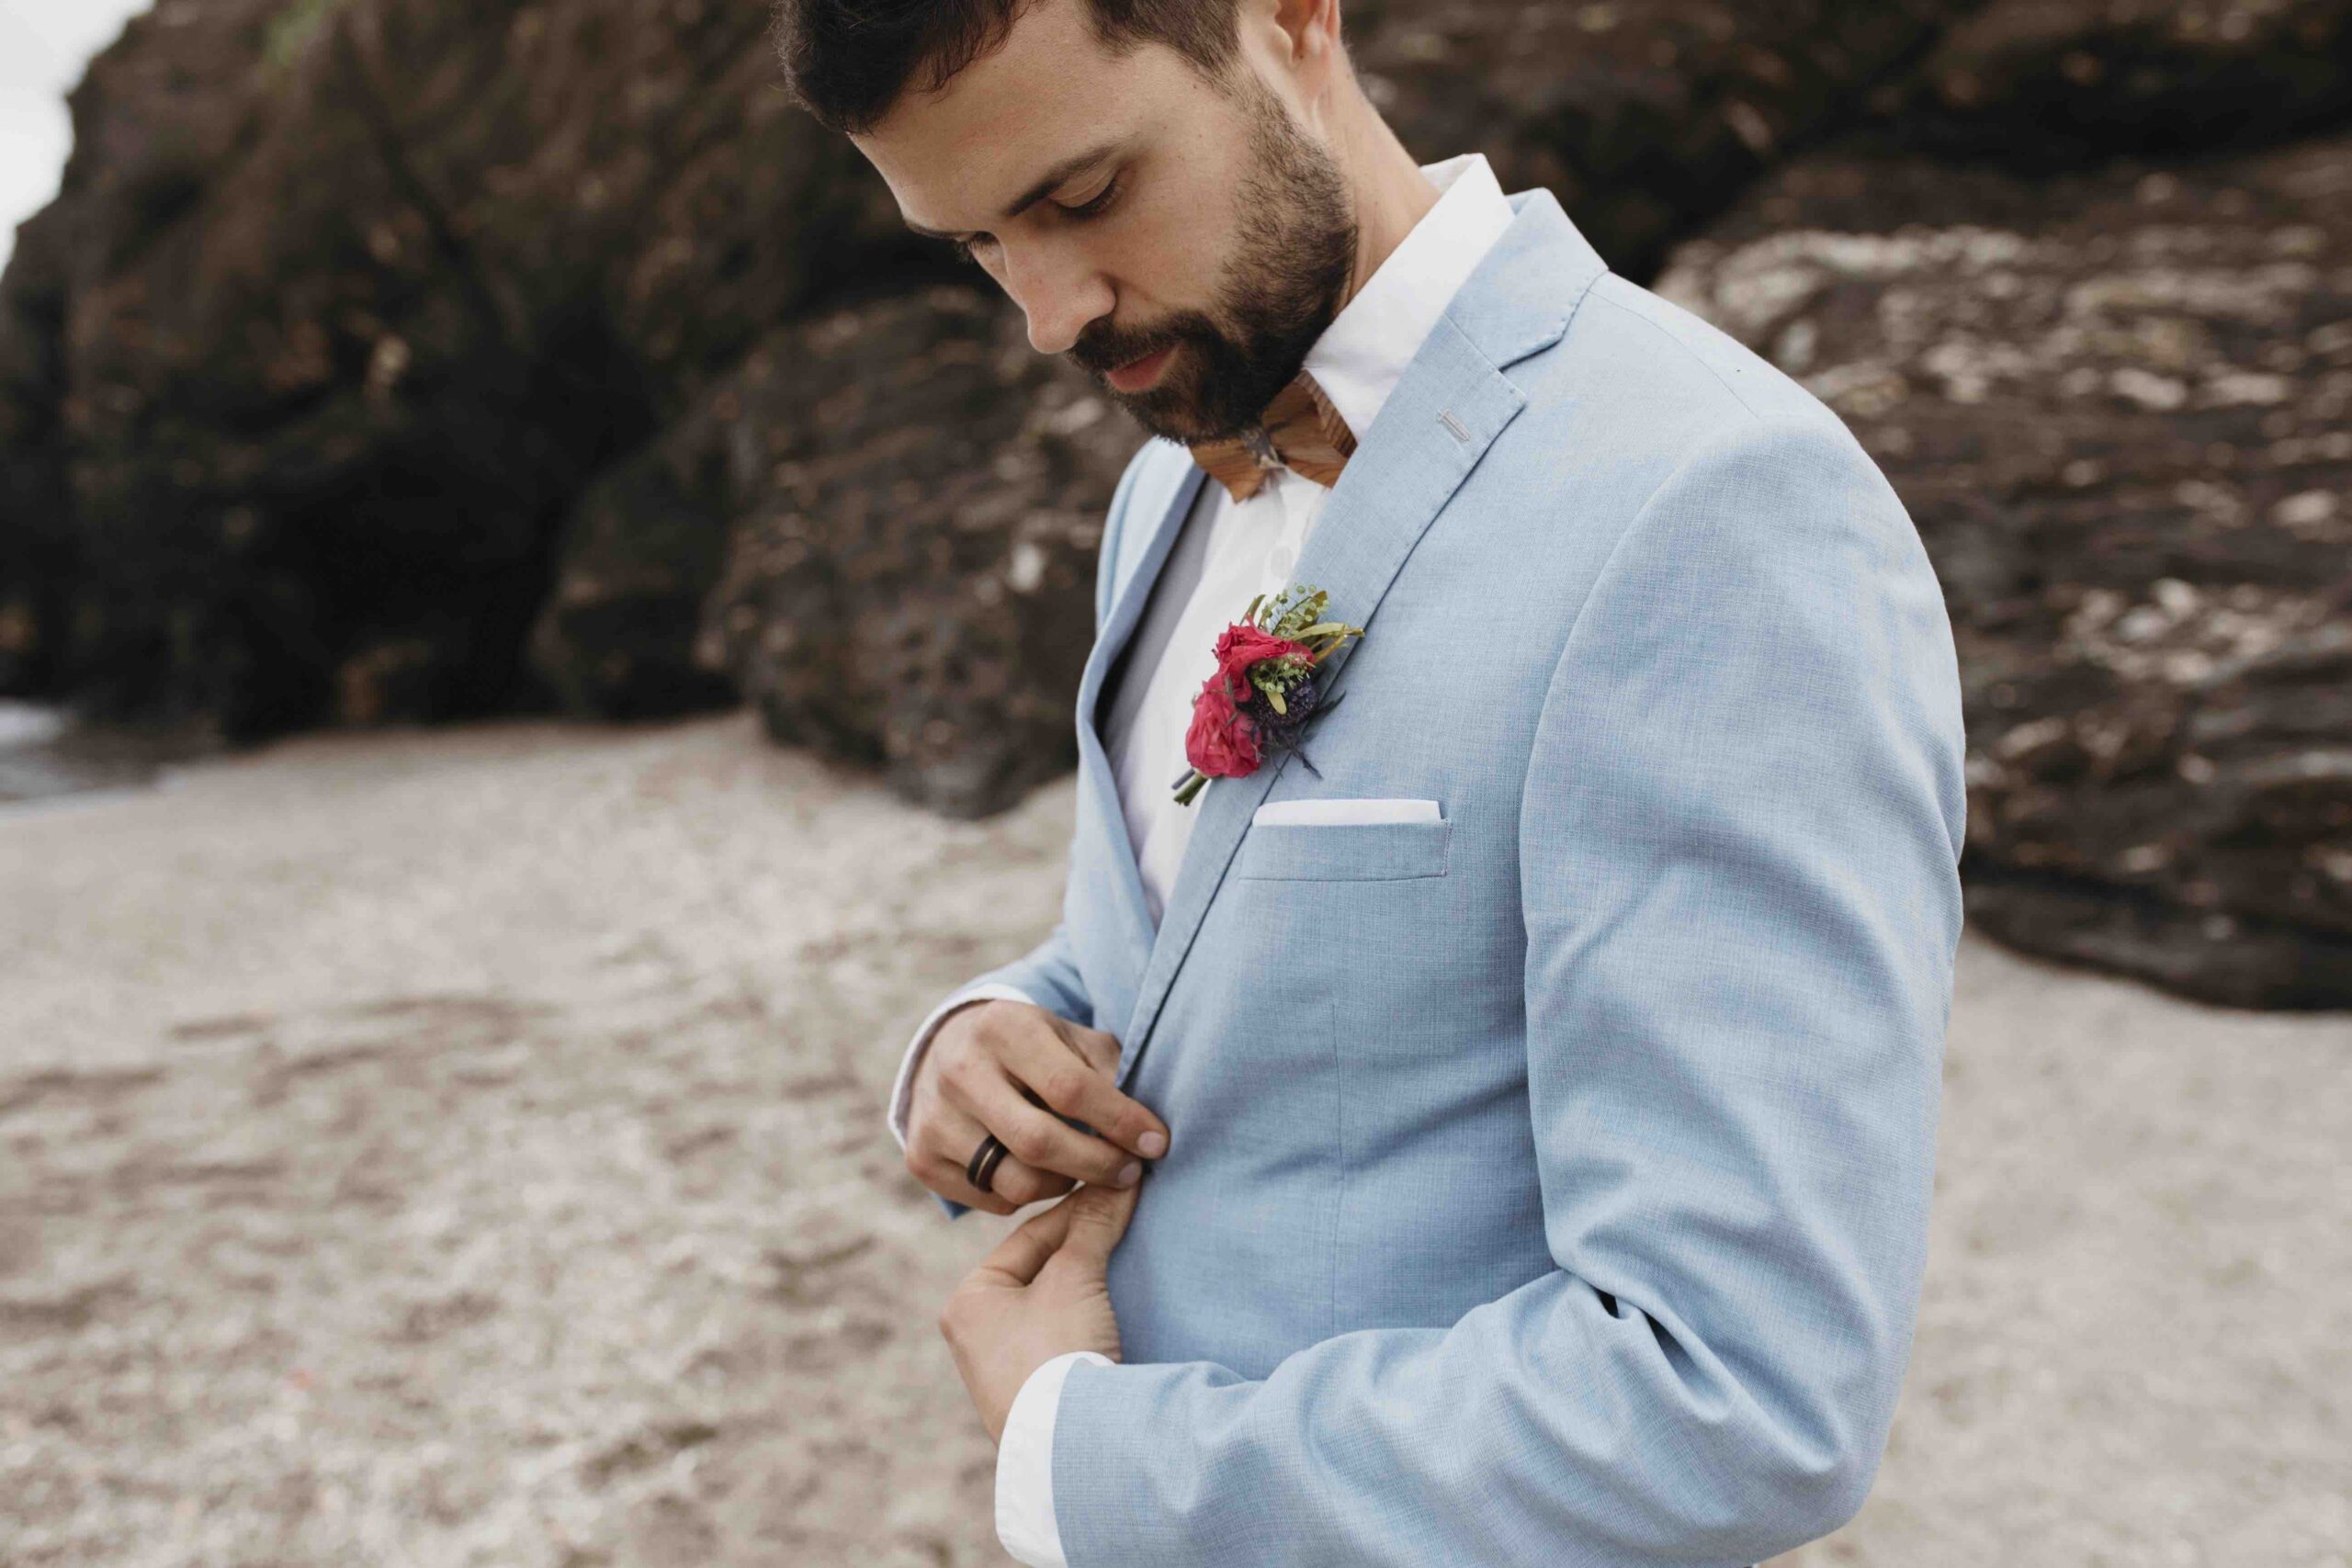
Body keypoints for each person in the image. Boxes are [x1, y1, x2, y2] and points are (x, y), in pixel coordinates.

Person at [775, 2, 1967, 1562]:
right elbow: (1208, 949)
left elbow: (1736, 1391)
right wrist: (985, 1039)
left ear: (1290, 19)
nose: (1049, 315)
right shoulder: (1162, 493)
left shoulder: (1716, 505)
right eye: (980, 243)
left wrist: (1097, 1463)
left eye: (1079, 198)